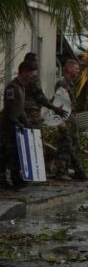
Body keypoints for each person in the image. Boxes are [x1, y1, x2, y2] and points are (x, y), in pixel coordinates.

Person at [0, 61, 35, 190]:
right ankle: (12, 180)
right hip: (9, 127)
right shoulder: (12, 87)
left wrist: (27, 124)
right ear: (24, 72)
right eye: (30, 73)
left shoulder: (21, 87)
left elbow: (20, 109)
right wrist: (17, 123)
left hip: (17, 125)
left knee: (14, 153)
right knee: (9, 154)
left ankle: (15, 179)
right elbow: (10, 110)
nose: (31, 76)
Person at [52, 60, 88, 181]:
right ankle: (60, 172)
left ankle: (69, 169)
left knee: (74, 145)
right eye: (76, 69)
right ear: (69, 69)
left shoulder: (71, 84)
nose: (78, 71)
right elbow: (58, 103)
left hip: (71, 120)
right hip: (64, 120)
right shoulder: (62, 84)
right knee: (64, 145)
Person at [22, 52, 64, 128]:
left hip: (23, 114)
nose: (38, 63)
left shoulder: (22, 76)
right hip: (32, 115)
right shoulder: (32, 78)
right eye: (36, 61)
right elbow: (40, 97)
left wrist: (50, 101)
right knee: (35, 138)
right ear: (30, 62)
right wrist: (55, 108)